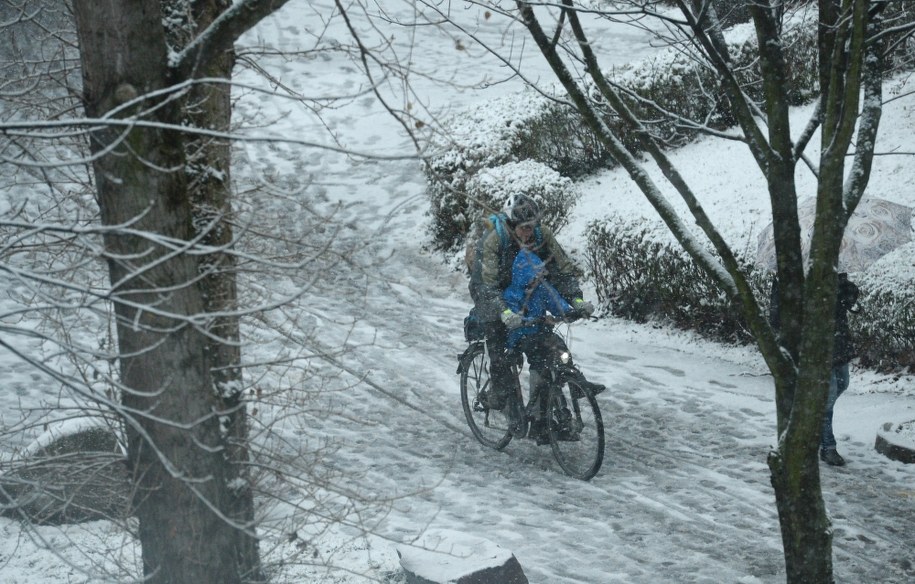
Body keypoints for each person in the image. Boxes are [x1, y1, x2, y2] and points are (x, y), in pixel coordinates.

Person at [468, 193, 594, 436]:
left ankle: (540, 418)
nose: (529, 233)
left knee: (545, 350)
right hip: (491, 294)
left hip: (528, 299)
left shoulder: (541, 236)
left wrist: (576, 301)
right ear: (511, 225)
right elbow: (486, 285)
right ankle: (499, 397)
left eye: (532, 227)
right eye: (524, 228)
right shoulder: (495, 240)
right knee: (501, 354)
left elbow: (561, 270)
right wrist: (503, 311)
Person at [769, 273, 859, 466]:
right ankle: (827, 447)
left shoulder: (828, 267)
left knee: (842, 385)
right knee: (827, 398)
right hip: (814, 345)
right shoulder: (788, 274)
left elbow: (848, 297)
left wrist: (846, 290)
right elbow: (776, 317)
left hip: (838, 343)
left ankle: (809, 419)